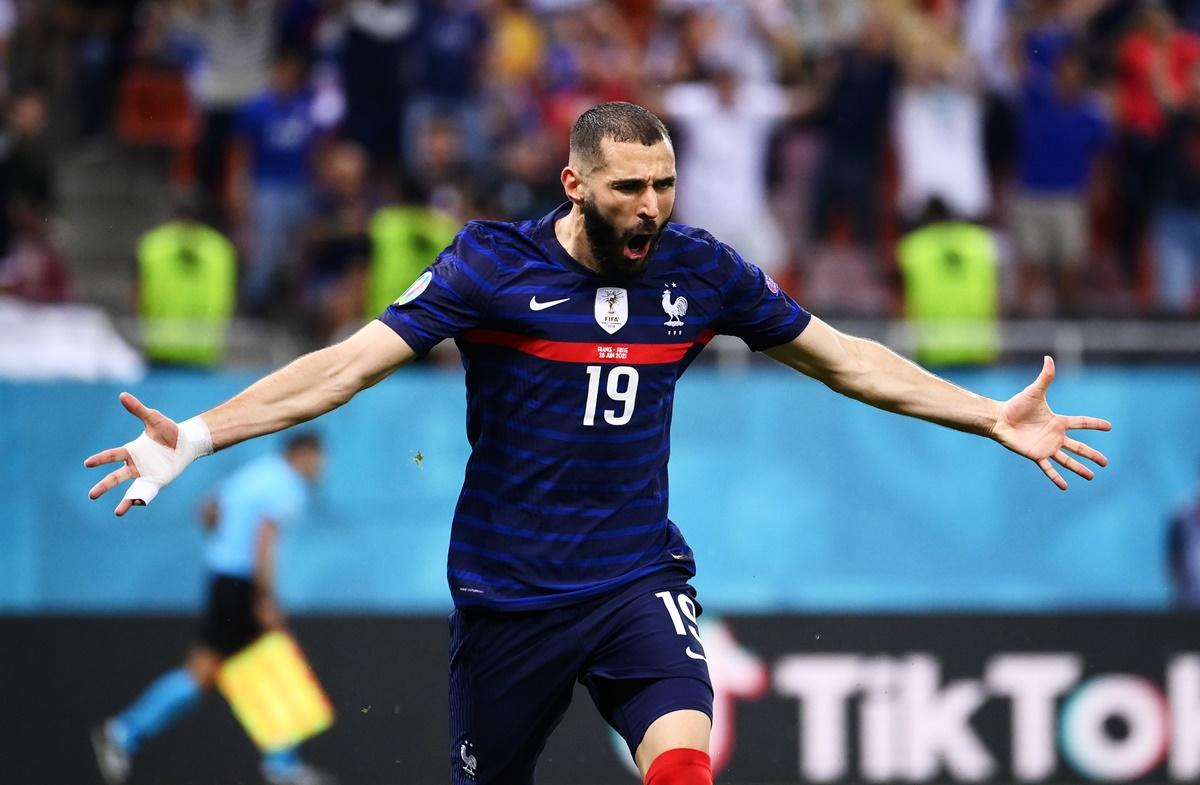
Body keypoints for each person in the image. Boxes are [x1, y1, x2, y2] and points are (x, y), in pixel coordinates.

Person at [84, 102, 1111, 785]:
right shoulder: (491, 266)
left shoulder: (699, 272)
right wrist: (202, 433)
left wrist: (986, 415)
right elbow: (347, 364)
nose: (652, 207)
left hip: (634, 571)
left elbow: (844, 356)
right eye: (629, 188)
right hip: (507, 593)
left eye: (663, 184)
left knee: (682, 754)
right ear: (576, 185)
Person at [90, 433, 333, 785]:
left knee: (216, 670)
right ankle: (281, 765)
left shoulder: (254, 474)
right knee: (254, 666)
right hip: (242, 587)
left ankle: (126, 732)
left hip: (224, 579)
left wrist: (225, 547)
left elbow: (208, 509)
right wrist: (264, 599)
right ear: (301, 454)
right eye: (318, 458)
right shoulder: (287, 486)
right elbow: (265, 537)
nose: (321, 466)